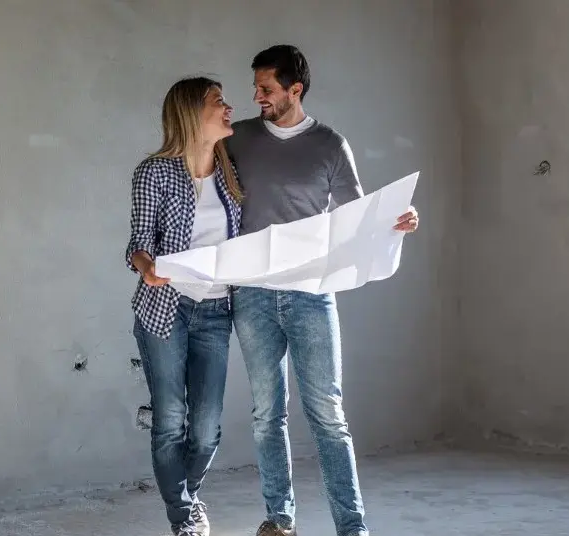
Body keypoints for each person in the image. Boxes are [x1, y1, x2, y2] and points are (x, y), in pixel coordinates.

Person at [225, 45, 420, 536]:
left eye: (266, 88)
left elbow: (359, 218)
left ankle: (352, 528)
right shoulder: (238, 138)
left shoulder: (330, 145)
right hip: (251, 294)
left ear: (295, 89)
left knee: (328, 415)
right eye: (255, 87)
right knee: (266, 415)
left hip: (312, 293)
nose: (257, 96)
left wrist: (400, 222)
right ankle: (279, 519)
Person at [127, 76, 244, 536]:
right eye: (218, 101)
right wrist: (147, 267)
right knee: (171, 420)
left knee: (207, 428)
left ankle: (187, 497)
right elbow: (138, 244)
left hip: (216, 310)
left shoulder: (233, 170)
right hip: (165, 308)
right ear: (192, 112)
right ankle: (184, 519)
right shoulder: (154, 172)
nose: (229, 107)